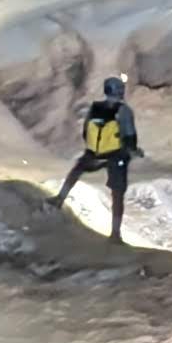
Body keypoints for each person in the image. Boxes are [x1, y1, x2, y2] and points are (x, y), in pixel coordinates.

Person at [57, 72, 139, 239]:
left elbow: (86, 131)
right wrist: (131, 150)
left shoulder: (95, 108)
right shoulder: (124, 111)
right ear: (120, 92)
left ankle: (59, 198)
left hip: (94, 153)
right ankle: (115, 233)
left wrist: (94, 149)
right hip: (116, 155)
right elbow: (129, 135)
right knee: (117, 193)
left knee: (77, 170)